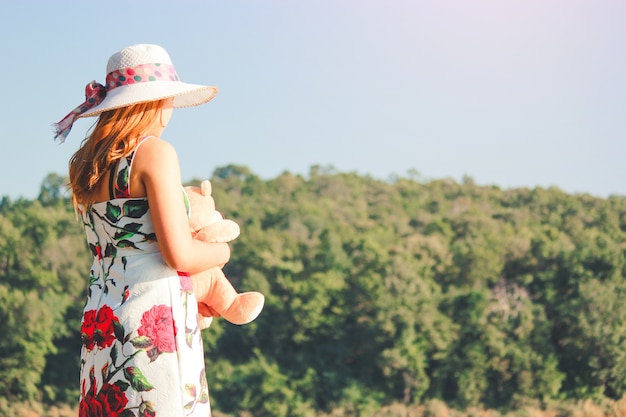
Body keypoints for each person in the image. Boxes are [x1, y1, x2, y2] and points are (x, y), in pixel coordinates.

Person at [54, 44, 230, 416]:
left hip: (102, 321)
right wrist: (221, 252)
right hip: (154, 322)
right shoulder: (155, 154)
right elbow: (178, 253)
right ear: (155, 102)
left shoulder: (86, 165)